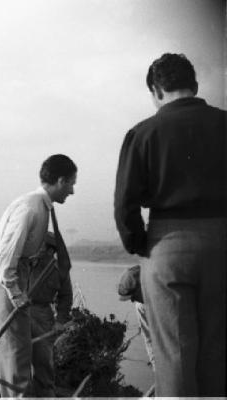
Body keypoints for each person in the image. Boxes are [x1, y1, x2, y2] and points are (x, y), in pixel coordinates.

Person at [114, 53, 226, 397]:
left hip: (166, 244)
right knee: (217, 352)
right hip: (222, 243)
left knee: (174, 355)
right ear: (194, 85)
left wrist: (140, 245)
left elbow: (125, 205)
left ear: (156, 91)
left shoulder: (142, 132)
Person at [0, 154, 77, 397]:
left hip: (15, 275)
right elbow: (6, 257)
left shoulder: (41, 205)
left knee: (13, 346)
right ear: (59, 180)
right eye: (71, 183)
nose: (73, 191)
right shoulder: (31, 208)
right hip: (8, 276)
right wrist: (16, 293)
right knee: (15, 350)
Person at [27, 232, 73, 396]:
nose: (36, 248)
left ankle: (45, 394)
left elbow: (66, 296)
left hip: (43, 315)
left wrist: (60, 321)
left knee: (43, 360)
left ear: (50, 250)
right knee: (13, 356)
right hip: (20, 312)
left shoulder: (59, 270)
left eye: (41, 245)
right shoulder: (26, 262)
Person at [117, 265, 154, 370]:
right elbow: (149, 339)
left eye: (134, 297)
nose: (133, 301)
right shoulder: (141, 306)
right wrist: (157, 371)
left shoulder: (171, 296)